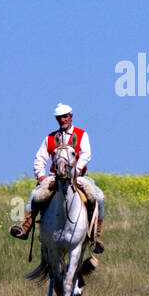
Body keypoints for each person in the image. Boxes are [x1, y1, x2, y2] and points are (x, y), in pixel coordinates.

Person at [15, 103, 104, 251]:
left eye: (65, 117)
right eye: (59, 118)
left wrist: (77, 170)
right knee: (35, 194)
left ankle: (95, 236)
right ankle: (25, 227)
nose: (62, 120)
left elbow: (86, 154)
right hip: (54, 177)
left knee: (99, 197)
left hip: (78, 177)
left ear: (71, 117)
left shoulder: (82, 134)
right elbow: (40, 158)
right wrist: (41, 175)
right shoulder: (50, 138)